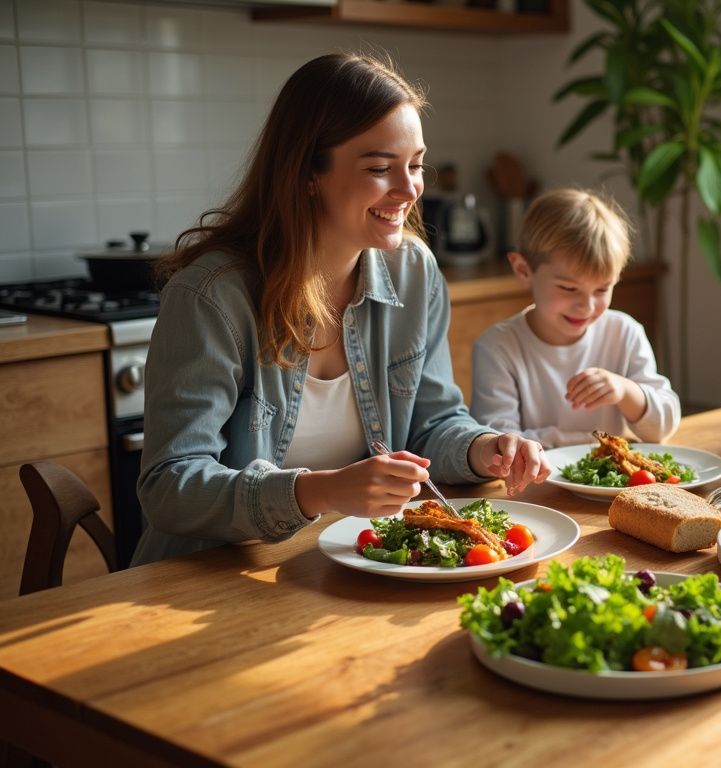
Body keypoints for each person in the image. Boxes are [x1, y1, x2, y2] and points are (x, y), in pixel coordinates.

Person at [134, 53, 550, 566]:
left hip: (344, 564)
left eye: (416, 165)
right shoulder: (213, 297)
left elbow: (433, 422)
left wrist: (483, 448)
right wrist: (321, 491)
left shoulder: (413, 271)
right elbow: (169, 484)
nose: (409, 190)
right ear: (309, 172)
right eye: (380, 168)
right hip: (208, 574)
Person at [469, 188, 681, 448]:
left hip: (611, 488)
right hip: (535, 486)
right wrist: (588, 443)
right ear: (524, 270)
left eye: (602, 289)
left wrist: (626, 391)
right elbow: (499, 444)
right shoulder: (497, 346)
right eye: (569, 288)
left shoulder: (624, 332)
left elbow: (663, 429)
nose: (587, 306)